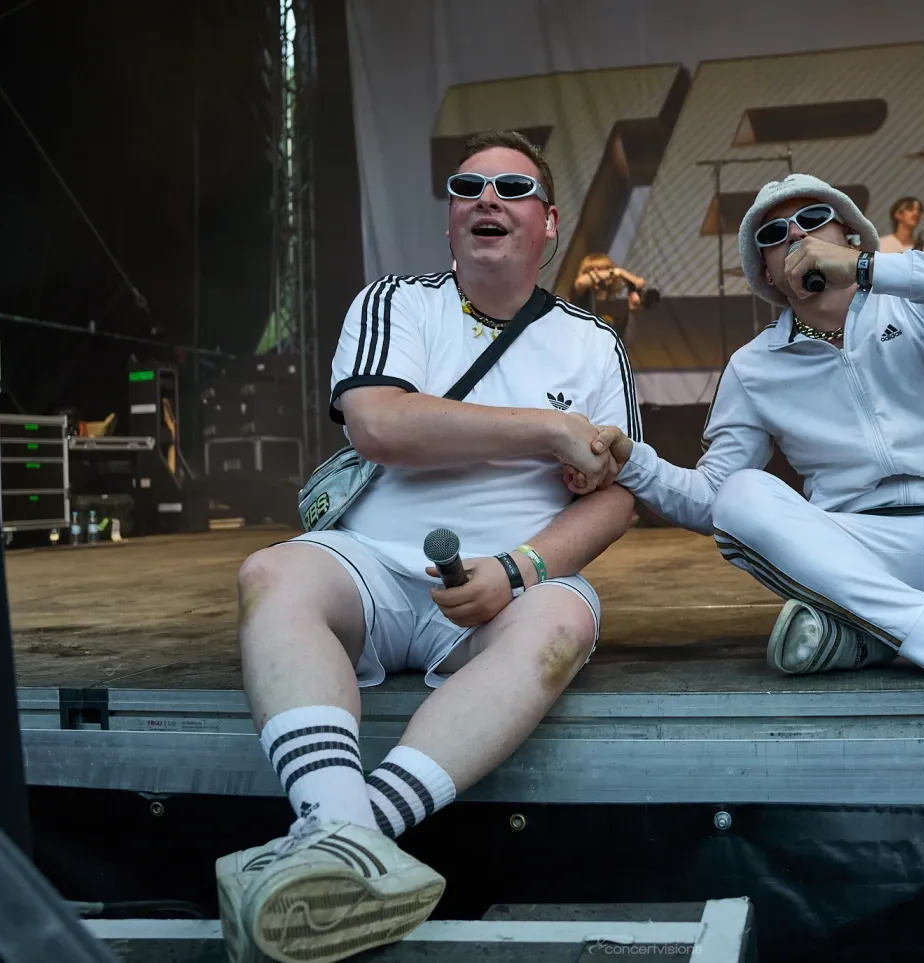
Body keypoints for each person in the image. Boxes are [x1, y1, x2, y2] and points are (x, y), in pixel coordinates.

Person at [214, 129, 642, 963]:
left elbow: (620, 496)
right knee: (272, 572)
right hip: (371, 565)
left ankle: (346, 835)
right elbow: (378, 423)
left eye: (511, 189)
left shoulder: (595, 343)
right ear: (450, 219)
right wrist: (550, 429)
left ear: (549, 222)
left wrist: (516, 569)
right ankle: (350, 830)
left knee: (563, 620)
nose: (486, 199)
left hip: (505, 581)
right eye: (466, 187)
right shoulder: (397, 302)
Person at [574, 174, 924, 684]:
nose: (795, 236)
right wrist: (634, 463)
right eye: (773, 235)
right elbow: (712, 500)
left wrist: (872, 270)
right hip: (852, 549)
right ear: (767, 273)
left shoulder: (920, 303)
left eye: (812, 220)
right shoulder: (753, 366)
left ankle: (871, 637)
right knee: (742, 496)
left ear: (850, 236)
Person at [570, 252, 650, 346]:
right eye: (592, 270)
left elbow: (626, 341)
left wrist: (633, 313)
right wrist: (619, 272)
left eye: (603, 269)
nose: (598, 274)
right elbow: (580, 283)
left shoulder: (618, 307)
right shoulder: (583, 296)